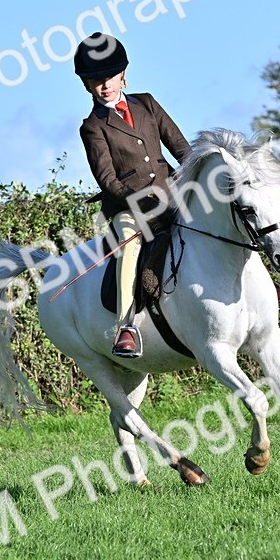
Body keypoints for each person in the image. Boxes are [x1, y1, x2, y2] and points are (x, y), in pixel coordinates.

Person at [76, 33, 191, 358]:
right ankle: (127, 326)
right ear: (87, 85)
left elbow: (180, 147)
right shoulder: (92, 127)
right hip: (129, 207)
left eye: (109, 77)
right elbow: (108, 179)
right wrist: (141, 200)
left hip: (172, 193)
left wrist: (199, 172)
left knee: (228, 214)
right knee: (129, 245)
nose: (105, 85)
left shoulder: (148, 104)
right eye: (96, 80)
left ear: (123, 75)